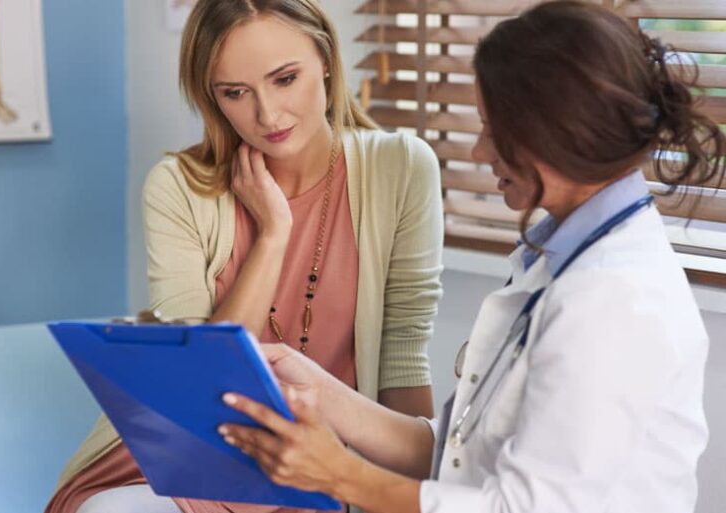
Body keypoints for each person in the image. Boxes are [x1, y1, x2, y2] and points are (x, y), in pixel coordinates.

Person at [218, 2, 725, 513]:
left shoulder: (614, 300)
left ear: (557, 128)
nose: (480, 152)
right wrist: (323, 393)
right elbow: (465, 456)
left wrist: (339, 475)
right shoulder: (563, 259)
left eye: (491, 129)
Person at [45, 1, 443, 512]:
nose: (268, 115)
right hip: (190, 453)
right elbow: (199, 378)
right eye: (235, 93)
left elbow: (403, 356)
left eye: (285, 79)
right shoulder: (177, 188)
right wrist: (273, 233)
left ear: (325, 59)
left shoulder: (402, 167)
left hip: (318, 464)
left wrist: (405, 496)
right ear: (211, 97)